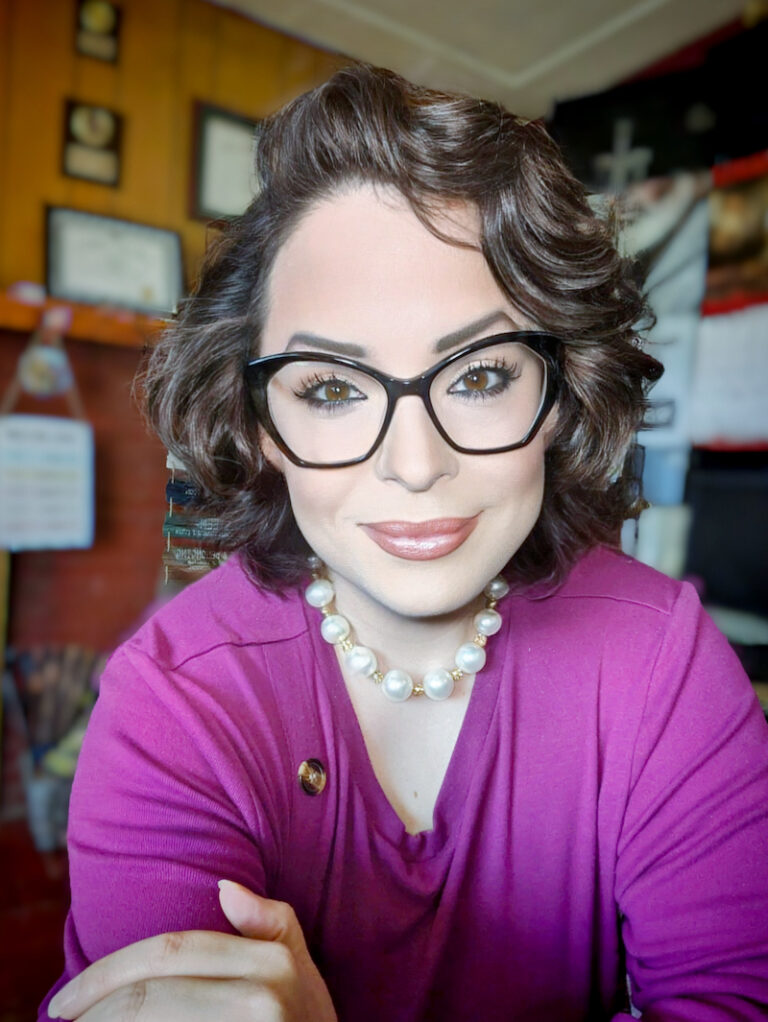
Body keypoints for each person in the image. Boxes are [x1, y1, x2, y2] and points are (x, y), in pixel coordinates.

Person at [42, 64, 768, 1022]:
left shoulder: (663, 661)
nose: (415, 464)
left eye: (478, 377)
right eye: (333, 389)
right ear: (260, 421)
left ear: (559, 395)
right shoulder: (176, 699)